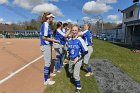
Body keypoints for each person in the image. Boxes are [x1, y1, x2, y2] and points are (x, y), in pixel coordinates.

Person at [40, 12, 59, 85]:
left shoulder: (48, 25)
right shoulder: (45, 24)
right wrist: (54, 40)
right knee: (47, 63)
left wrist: (52, 41)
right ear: (48, 17)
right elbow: (44, 37)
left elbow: (48, 36)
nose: (53, 18)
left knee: (49, 61)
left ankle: (48, 75)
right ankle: (46, 80)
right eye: (52, 17)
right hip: (45, 45)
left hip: (48, 45)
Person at [67, 25, 88, 93]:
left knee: (76, 74)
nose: (74, 32)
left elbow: (86, 51)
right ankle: (73, 76)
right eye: (73, 30)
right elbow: (68, 50)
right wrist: (68, 56)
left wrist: (78, 57)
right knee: (70, 71)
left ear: (78, 31)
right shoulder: (69, 40)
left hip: (78, 59)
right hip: (71, 59)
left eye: (76, 30)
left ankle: (78, 87)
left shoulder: (80, 40)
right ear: (71, 31)